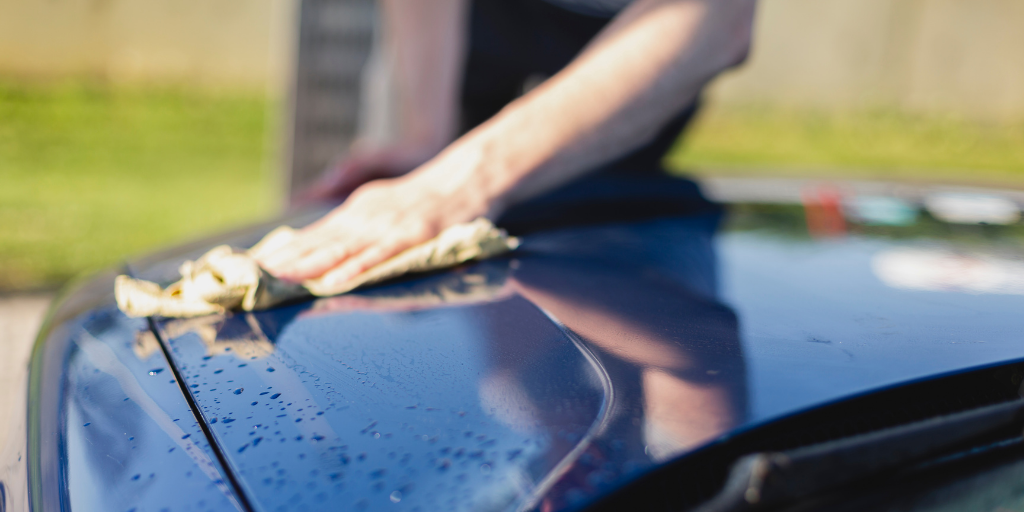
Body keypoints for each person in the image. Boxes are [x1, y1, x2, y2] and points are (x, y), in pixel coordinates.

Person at [255, 0, 756, 287]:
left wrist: (457, 184)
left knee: (632, 285)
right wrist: (426, 137)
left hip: (633, 46)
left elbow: (716, 19)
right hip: (467, 37)